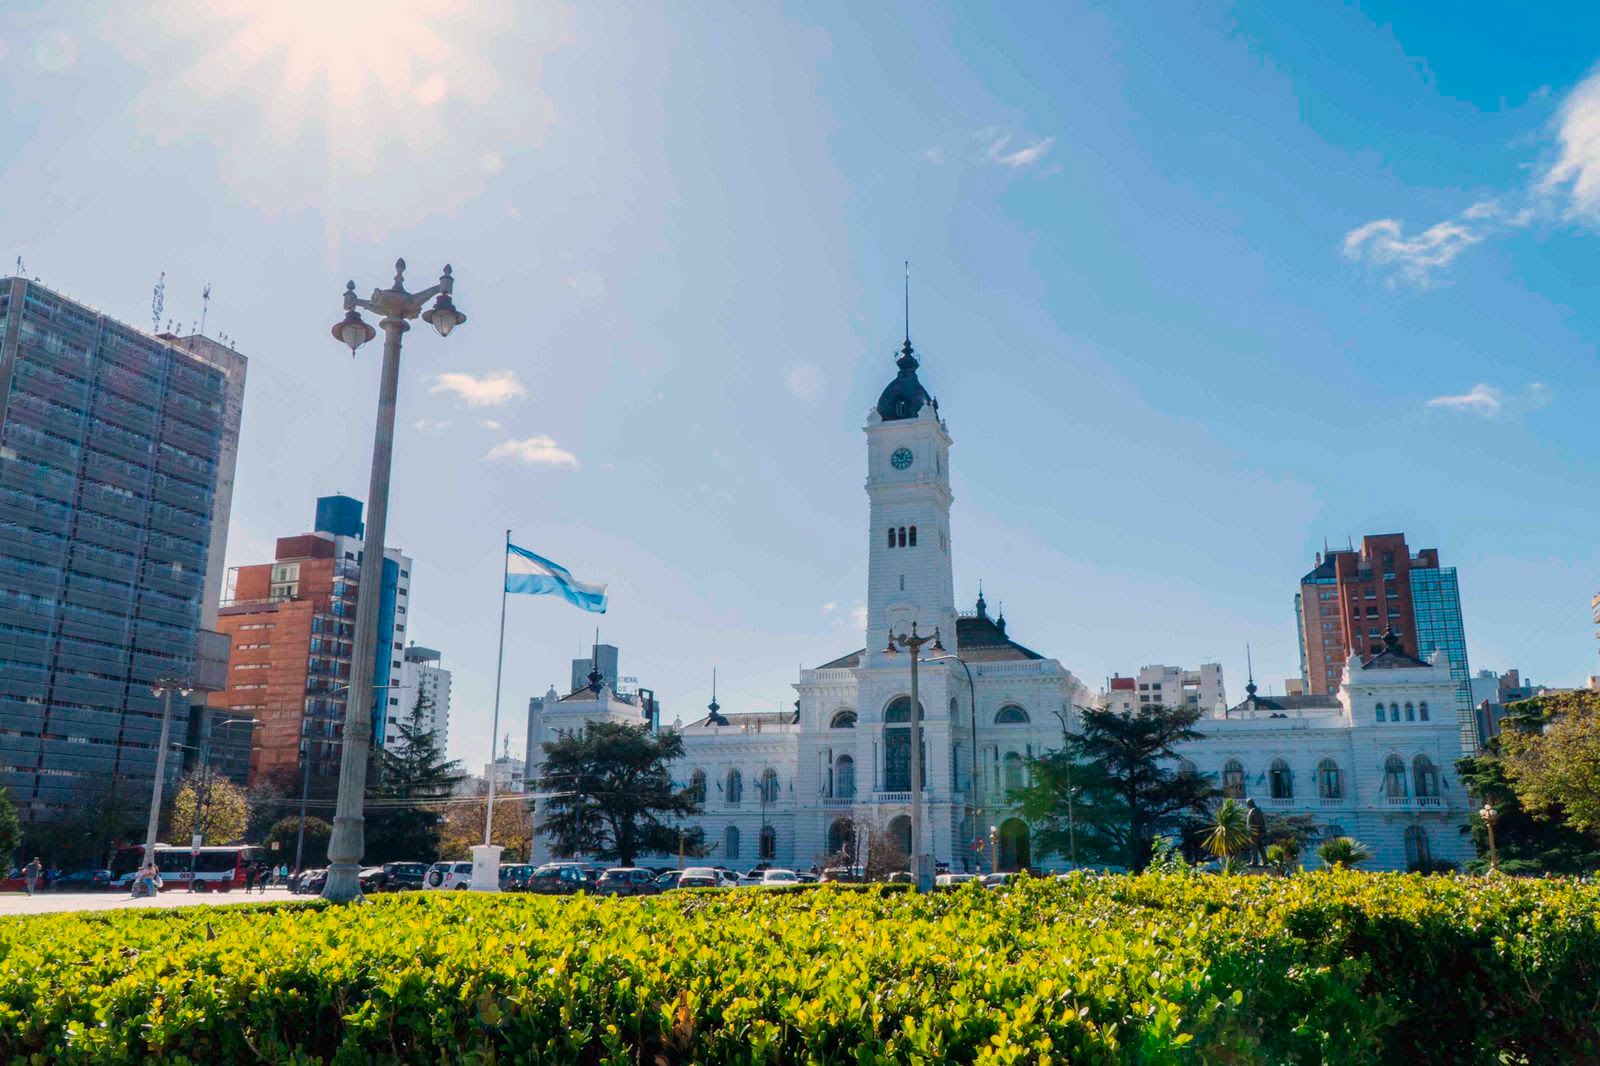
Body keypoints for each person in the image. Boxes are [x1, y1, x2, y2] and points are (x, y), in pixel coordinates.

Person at [1245, 798, 1268, 867]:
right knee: (1259, 846)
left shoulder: (1254, 810)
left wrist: (1261, 831)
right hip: (1254, 832)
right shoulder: (1254, 810)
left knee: (1254, 847)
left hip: (1255, 832)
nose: (1247, 805)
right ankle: (1265, 860)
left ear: (1250, 803)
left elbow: (1259, 822)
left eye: (1248, 804)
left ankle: (1254, 861)